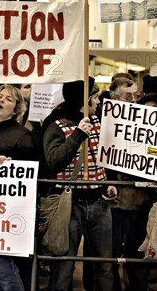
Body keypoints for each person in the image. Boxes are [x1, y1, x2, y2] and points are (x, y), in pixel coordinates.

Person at [42, 77, 116, 291]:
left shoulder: (99, 121)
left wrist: (108, 184)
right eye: (94, 98)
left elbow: (104, 158)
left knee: (104, 265)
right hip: (69, 204)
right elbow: (54, 162)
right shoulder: (55, 124)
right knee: (64, 265)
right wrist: (77, 136)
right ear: (84, 102)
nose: (98, 103)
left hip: (100, 203)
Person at [0, 85, 38, 291]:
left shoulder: (23, 136)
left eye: (9, 99)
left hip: (10, 212)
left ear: (17, 109)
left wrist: (13, 166)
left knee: (4, 265)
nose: (1, 100)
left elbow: (30, 174)